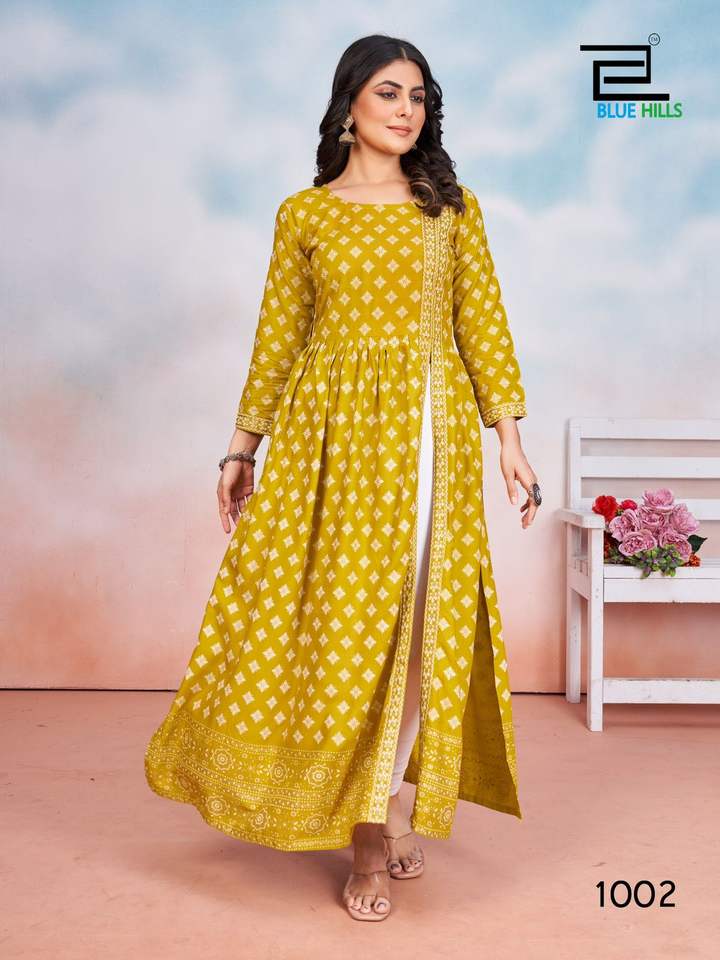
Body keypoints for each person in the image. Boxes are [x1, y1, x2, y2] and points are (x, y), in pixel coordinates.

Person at [144, 34, 541, 922]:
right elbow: (278, 338)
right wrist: (241, 451)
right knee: (343, 629)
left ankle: (379, 814)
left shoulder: (449, 211)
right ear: (349, 104)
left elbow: (483, 325)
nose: (407, 110)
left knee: (420, 623)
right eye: (390, 92)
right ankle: (370, 822)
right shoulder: (306, 215)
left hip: (428, 436)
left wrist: (508, 441)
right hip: (328, 445)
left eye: (419, 97)